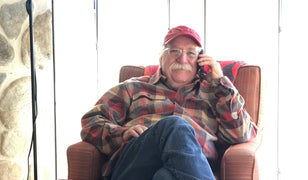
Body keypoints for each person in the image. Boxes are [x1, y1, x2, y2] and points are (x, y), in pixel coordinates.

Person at [81, 25, 257, 180]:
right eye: (174, 51)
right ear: (161, 58)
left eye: (191, 53)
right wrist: (121, 133)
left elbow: (241, 134)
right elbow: (91, 122)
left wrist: (220, 81)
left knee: (165, 176)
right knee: (175, 125)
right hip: (134, 165)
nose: (182, 59)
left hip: (191, 168)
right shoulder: (133, 87)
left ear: (201, 60)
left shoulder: (215, 93)